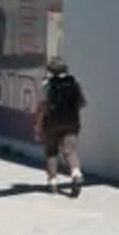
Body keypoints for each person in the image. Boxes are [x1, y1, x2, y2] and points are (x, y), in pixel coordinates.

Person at [39, 59, 87, 196]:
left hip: (52, 122)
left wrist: (38, 123)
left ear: (50, 71)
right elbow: (82, 102)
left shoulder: (47, 85)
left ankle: (52, 181)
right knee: (70, 150)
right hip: (72, 121)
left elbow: (44, 106)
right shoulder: (75, 82)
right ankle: (76, 173)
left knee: (51, 150)